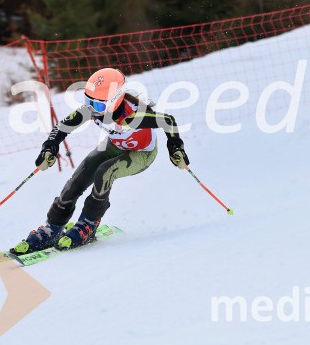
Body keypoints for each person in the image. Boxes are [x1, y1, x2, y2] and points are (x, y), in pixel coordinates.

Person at [11, 67, 189, 254]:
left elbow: (167, 121)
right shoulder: (92, 110)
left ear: (115, 101)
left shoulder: (132, 117)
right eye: (88, 102)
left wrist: (175, 147)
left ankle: (89, 223)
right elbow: (62, 127)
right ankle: (53, 228)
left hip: (141, 153)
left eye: (98, 106)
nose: (92, 110)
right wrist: (50, 147)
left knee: (105, 172)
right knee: (78, 179)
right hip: (114, 146)